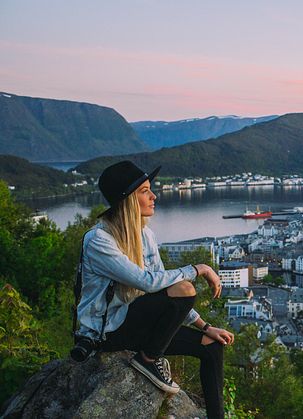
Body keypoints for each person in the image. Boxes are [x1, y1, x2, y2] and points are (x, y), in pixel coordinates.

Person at [75, 160, 233, 418]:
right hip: (108, 332)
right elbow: (148, 282)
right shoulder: (99, 240)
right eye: (144, 191)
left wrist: (205, 326)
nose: (153, 195)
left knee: (212, 346)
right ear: (127, 200)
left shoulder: (144, 234)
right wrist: (199, 268)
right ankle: (148, 360)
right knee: (185, 287)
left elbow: (163, 287)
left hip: (139, 324)